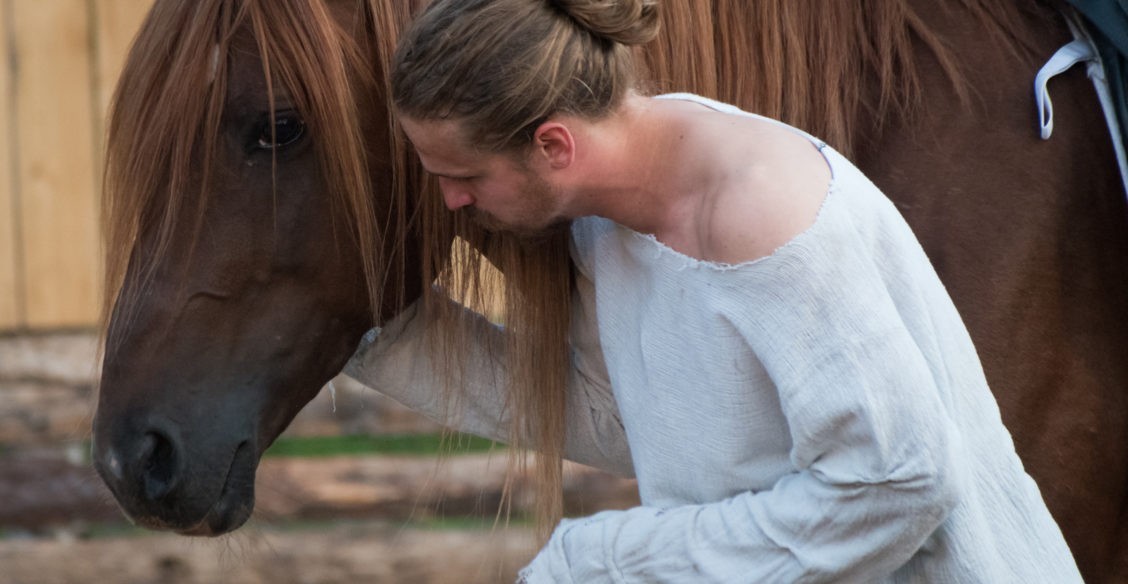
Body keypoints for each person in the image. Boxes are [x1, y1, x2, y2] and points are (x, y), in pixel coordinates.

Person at [346, 0, 1084, 581]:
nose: (450, 204)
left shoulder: (770, 218)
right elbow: (641, 423)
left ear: (553, 146)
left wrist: (605, 562)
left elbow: (899, 480)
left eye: (464, 177)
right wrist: (377, 340)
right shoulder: (612, 222)